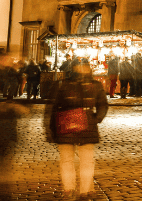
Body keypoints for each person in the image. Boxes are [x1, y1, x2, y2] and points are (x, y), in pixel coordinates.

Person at [45, 59, 109, 197]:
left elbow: (103, 104)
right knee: (68, 160)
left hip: (86, 126)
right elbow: (52, 107)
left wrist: (96, 118)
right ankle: (69, 189)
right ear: (73, 68)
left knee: (86, 160)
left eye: (84, 66)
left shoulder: (95, 85)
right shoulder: (62, 84)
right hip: (66, 125)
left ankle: (84, 190)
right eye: (79, 66)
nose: (82, 69)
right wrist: (50, 128)